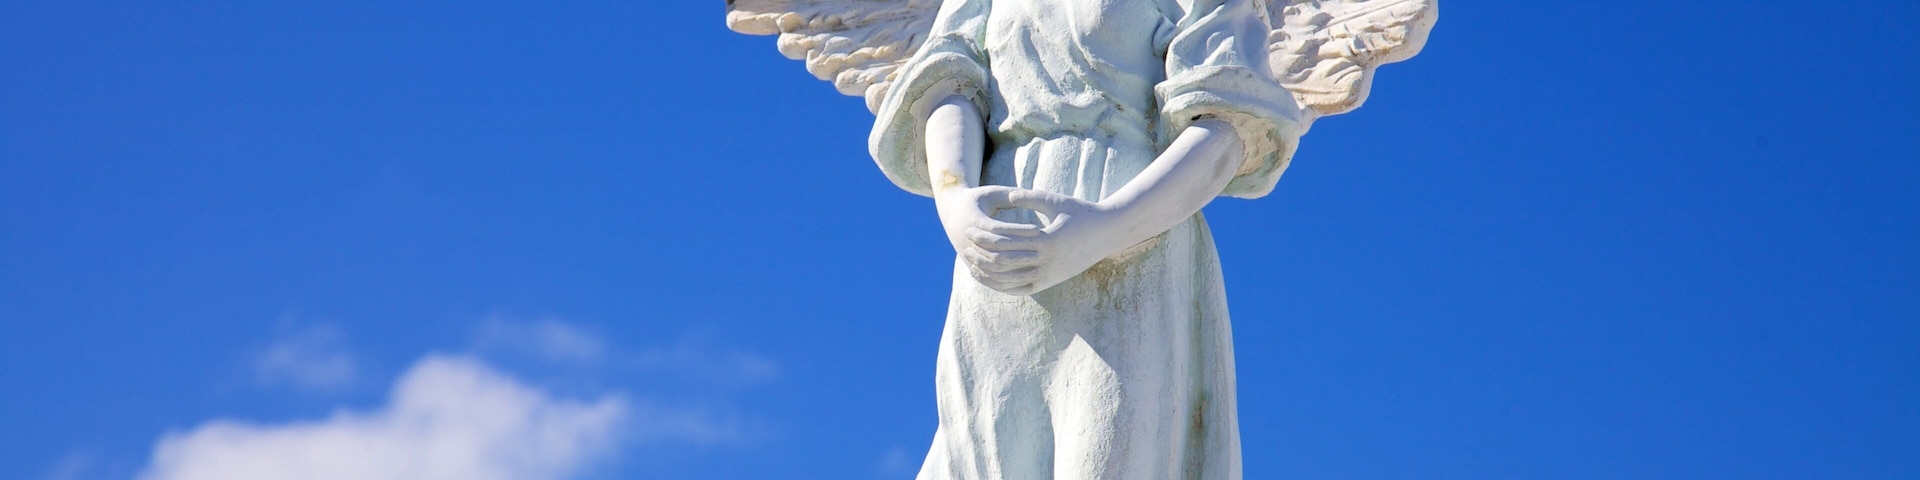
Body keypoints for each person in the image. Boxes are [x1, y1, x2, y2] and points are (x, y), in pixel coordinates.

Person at [865, 0, 1307, 478]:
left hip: (1137, 237)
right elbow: (948, 82)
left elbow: (1228, 124)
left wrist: (1106, 227)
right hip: (997, 247)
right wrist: (954, 200)